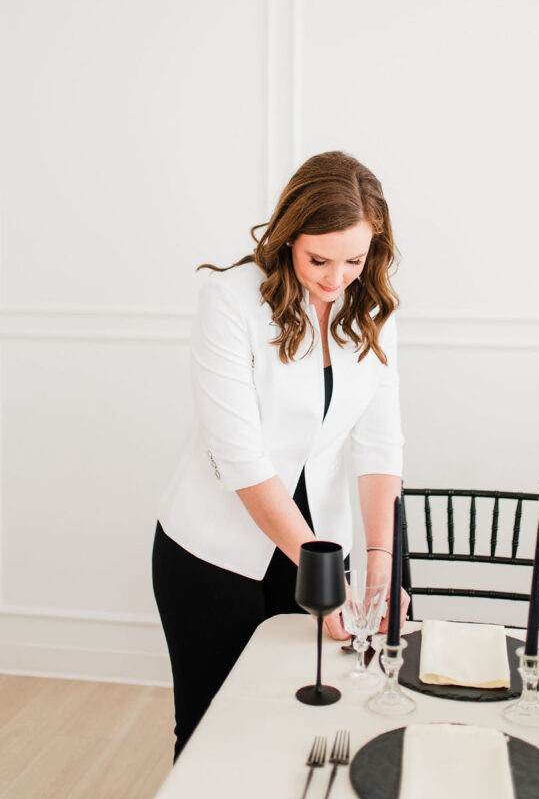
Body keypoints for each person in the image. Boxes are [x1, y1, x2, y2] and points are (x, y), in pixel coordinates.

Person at [152, 151, 408, 760]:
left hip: (318, 544)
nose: (336, 277)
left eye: (355, 259)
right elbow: (240, 458)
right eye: (319, 259)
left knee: (306, 730)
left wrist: (380, 562)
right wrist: (320, 573)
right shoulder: (232, 298)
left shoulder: (370, 308)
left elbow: (379, 444)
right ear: (289, 234)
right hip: (214, 552)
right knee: (210, 733)